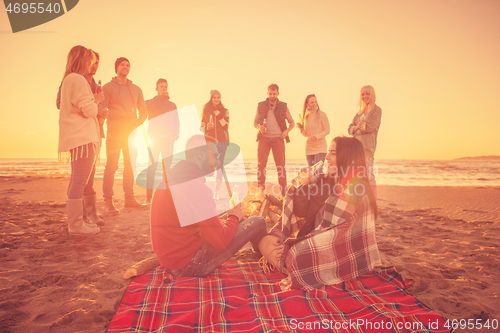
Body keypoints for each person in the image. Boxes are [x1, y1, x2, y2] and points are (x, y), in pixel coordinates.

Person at [258, 136, 381, 290]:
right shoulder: (323, 181)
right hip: (314, 240)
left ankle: (290, 267)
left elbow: (339, 236)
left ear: (347, 157)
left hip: (338, 251)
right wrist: (304, 186)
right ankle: (289, 267)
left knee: (295, 254)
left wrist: (297, 246)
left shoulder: (355, 189)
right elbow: (302, 212)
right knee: (265, 242)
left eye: (333, 153)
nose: (327, 157)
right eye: (328, 152)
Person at [150, 134, 267, 277]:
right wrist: (234, 217)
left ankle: (262, 251)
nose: (219, 160)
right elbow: (220, 241)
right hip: (189, 265)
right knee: (258, 222)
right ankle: (264, 255)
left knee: (232, 220)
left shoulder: (171, 178)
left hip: (171, 260)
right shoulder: (196, 187)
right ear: (201, 154)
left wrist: (230, 217)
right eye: (216, 155)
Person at [58, 45, 105, 235]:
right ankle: (76, 226)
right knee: (79, 181)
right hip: (83, 139)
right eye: (90, 60)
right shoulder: (78, 79)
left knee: (76, 181)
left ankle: (76, 223)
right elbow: (90, 110)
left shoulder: (68, 79)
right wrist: (97, 100)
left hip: (76, 138)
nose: (92, 64)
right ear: (83, 60)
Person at [102, 57, 148, 212]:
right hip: (114, 132)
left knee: (130, 166)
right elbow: (103, 109)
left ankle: (129, 198)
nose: (125, 67)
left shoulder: (136, 89)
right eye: (122, 65)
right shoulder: (107, 88)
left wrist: (137, 122)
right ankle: (109, 201)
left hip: (131, 134)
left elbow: (143, 112)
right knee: (111, 166)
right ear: (116, 68)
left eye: (128, 65)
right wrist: (120, 114)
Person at [254, 84, 294, 197]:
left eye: (274, 94)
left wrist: (286, 132)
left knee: (280, 167)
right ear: (267, 93)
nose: (272, 96)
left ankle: (283, 194)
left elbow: (292, 123)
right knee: (261, 166)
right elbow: (255, 123)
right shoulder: (261, 106)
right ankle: (261, 193)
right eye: (270, 93)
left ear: (278, 93)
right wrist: (259, 127)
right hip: (264, 139)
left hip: (278, 139)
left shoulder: (283, 106)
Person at [144, 78, 179, 204]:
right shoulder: (151, 102)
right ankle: (148, 197)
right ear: (156, 89)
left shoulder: (172, 105)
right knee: (151, 168)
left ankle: (166, 196)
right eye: (161, 87)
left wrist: (175, 135)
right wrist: (159, 97)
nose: (164, 89)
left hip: (168, 141)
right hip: (154, 140)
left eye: (165, 87)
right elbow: (146, 107)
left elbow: (176, 121)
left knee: (167, 169)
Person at [347, 85, 382, 198]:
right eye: (363, 94)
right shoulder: (359, 113)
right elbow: (350, 129)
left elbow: (369, 128)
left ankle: (373, 201)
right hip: (355, 149)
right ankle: (359, 201)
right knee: (356, 176)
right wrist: (356, 128)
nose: (365, 96)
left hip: (367, 148)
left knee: (368, 176)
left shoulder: (376, 110)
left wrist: (360, 128)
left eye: (367, 94)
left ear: (372, 95)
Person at [201, 90, 229, 199]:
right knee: (207, 164)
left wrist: (220, 115)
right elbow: (202, 127)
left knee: (219, 165)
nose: (216, 99)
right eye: (214, 97)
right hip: (210, 141)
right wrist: (207, 127)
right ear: (211, 98)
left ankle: (216, 192)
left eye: (218, 97)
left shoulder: (225, 111)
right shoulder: (206, 111)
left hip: (222, 142)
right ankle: (203, 188)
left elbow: (226, 126)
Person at [297, 94, 330, 169]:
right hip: (309, 149)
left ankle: (320, 181)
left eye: (315, 101)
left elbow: (327, 130)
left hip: (320, 148)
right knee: (310, 173)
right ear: (307, 104)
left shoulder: (322, 114)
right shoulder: (306, 116)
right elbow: (306, 134)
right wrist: (301, 129)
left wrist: (315, 137)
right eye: (312, 102)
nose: (314, 104)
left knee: (317, 172)